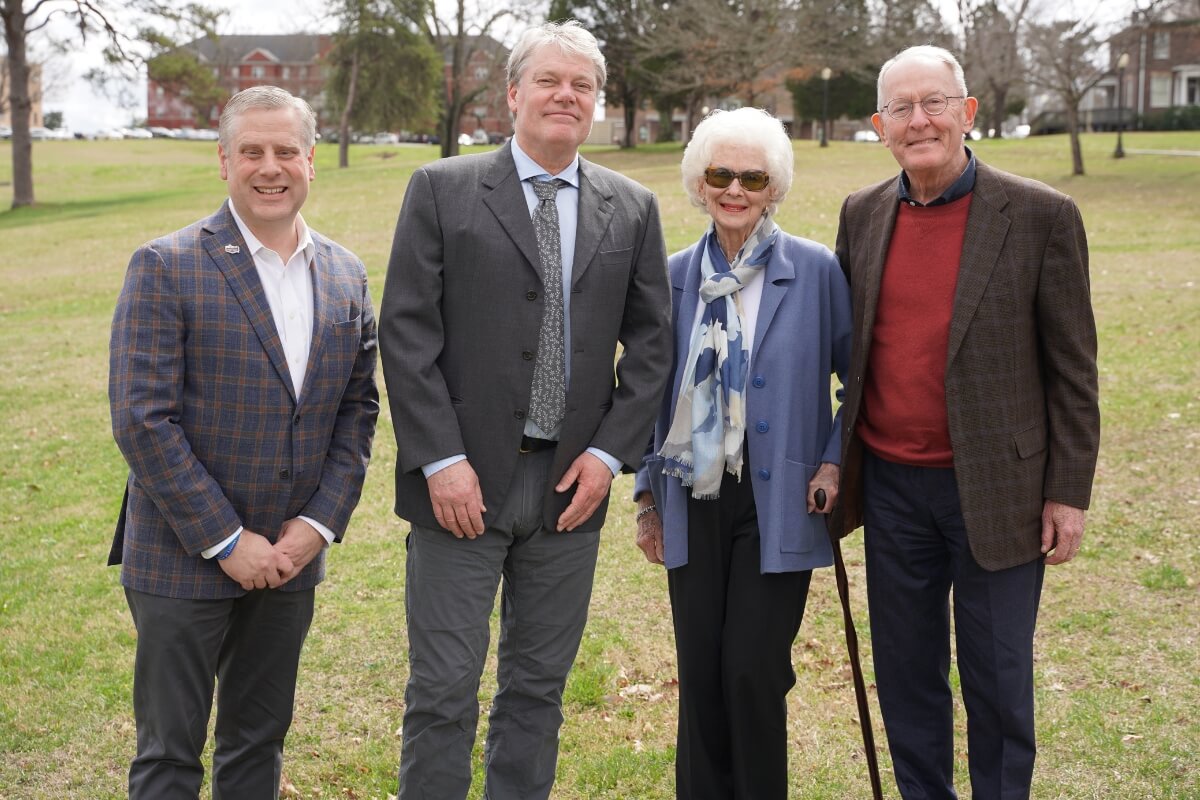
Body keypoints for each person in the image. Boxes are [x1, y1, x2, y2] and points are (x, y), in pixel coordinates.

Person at [379, 20, 672, 800]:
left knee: (537, 692)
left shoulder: (632, 207)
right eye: (549, 80)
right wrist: (440, 460)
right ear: (513, 93)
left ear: (597, 104)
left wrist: (609, 457)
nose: (565, 96)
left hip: (568, 493)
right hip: (460, 488)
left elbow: (651, 347)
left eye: (582, 85)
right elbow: (406, 335)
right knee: (443, 691)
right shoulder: (442, 190)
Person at [832, 46, 1100, 799]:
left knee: (998, 679)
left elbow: (1074, 370)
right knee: (908, 677)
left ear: (967, 111)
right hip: (890, 489)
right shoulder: (862, 214)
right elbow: (847, 354)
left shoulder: (1041, 215)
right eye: (901, 109)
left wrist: (1068, 492)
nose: (920, 121)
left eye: (935, 103)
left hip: (999, 490)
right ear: (879, 124)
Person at [108, 85, 379, 799]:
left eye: (285, 151)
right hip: (182, 554)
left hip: (290, 560)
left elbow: (357, 412)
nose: (270, 167)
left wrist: (314, 528)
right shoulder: (166, 265)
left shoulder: (347, 276)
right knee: (169, 755)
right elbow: (143, 420)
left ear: (311, 161)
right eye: (251, 152)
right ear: (223, 161)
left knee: (257, 744)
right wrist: (228, 541)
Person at [633, 107, 852, 799]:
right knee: (699, 673)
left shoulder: (815, 270)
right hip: (689, 494)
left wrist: (834, 458)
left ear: (774, 185)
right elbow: (646, 387)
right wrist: (645, 497)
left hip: (779, 500)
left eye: (751, 176)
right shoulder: (670, 275)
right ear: (699, 183)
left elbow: (860, 380)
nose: (734, 189)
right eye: (720, 174)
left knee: (752, 672)